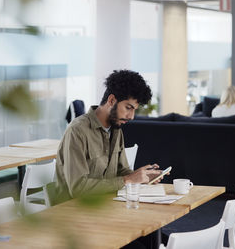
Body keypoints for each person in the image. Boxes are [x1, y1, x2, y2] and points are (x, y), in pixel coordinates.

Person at [56, 70, 164, 202]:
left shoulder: (116, 129)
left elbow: (122, 171)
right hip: (73, 210)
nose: (131, 116)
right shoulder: (77, 131)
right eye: (128, 107)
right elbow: (78, 188)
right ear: (112, 100)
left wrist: (142, 177)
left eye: (134, 110)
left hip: (104, 204)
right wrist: (128, 180)